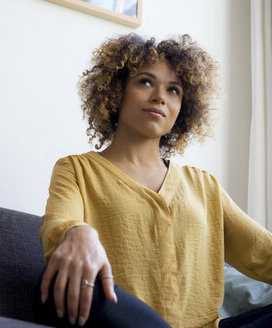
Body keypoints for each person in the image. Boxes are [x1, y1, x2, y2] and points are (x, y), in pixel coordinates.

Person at [32, 33, 272, 328]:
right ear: (117, 90)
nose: (160, 95)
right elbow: (58, 224)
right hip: (118, 315)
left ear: (183, 108)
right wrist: (79, 232)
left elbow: (263, 253)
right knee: (66, 287)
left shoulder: (204, 185)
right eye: (145, 82)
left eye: (174, 90)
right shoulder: (77, 170)